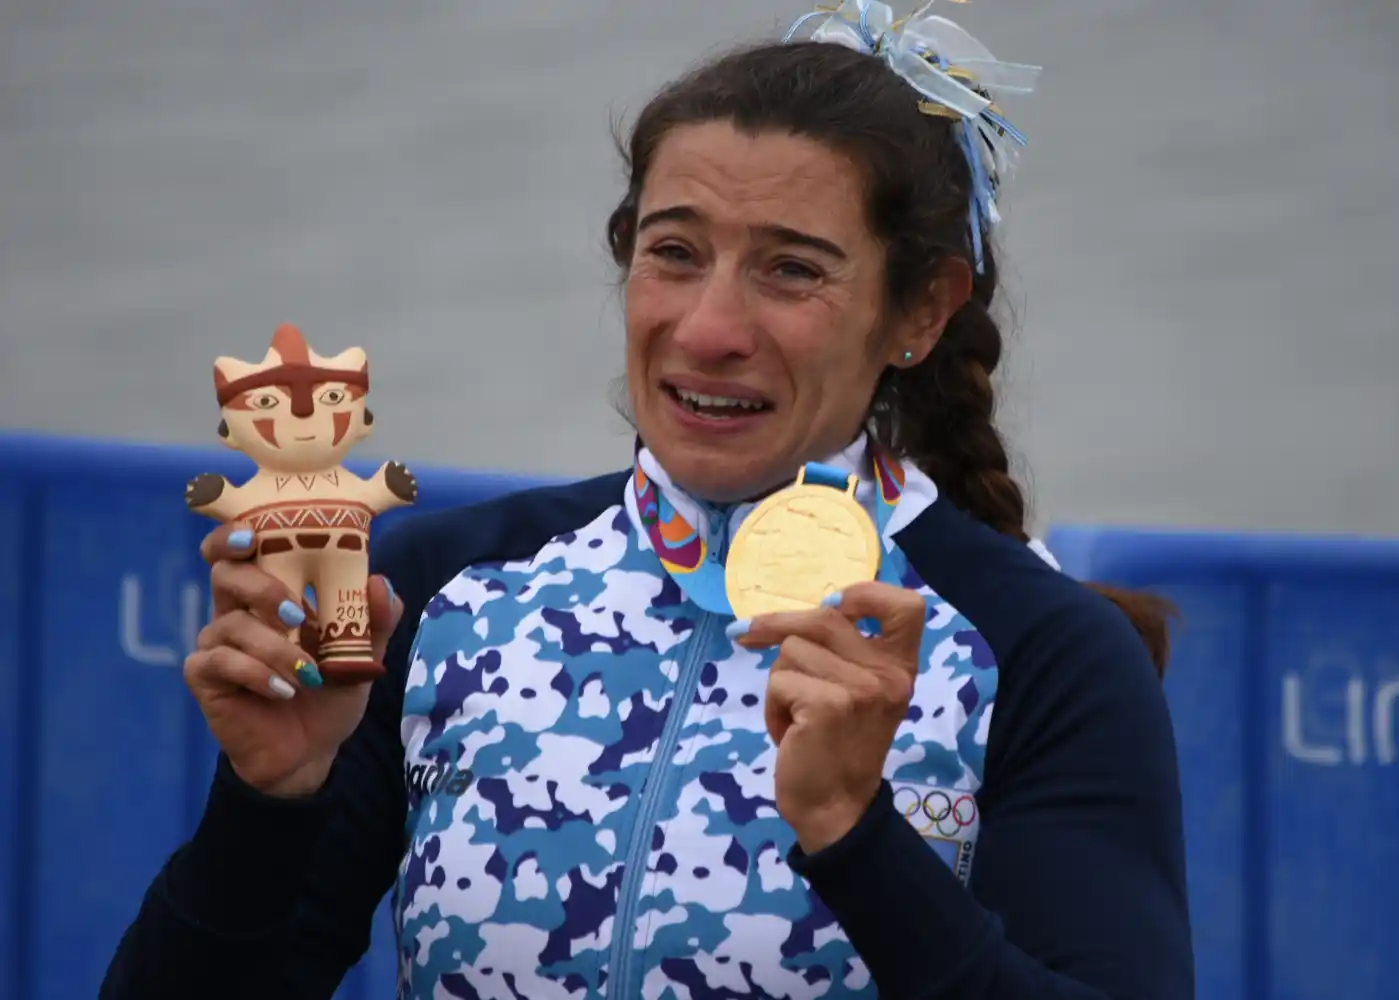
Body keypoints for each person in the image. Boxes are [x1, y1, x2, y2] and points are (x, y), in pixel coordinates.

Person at [100, 2, 1194, 997]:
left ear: (920, 310)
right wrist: (270, 798)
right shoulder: (447, 593)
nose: (709, 327)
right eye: (675, 252)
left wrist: (853, 833)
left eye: (791, 270)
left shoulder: (1042, 652)